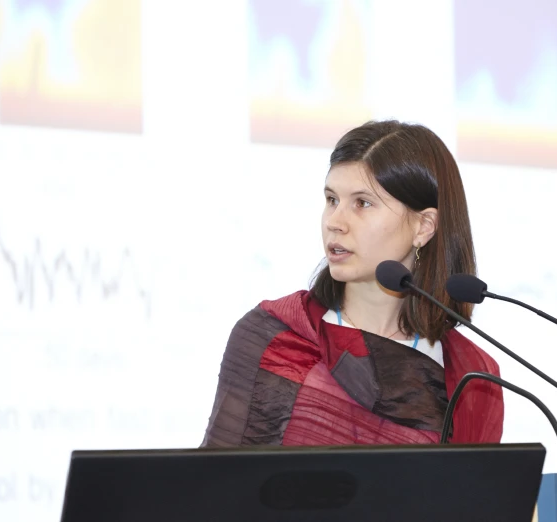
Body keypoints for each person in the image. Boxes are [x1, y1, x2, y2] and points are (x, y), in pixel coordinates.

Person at [202, 120, 503, 447]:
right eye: (332, 199)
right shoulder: (273, 338)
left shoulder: (473, 375)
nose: (335, 222)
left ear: (423, 227)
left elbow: (475, 494)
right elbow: (217, 486)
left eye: (362, 203)